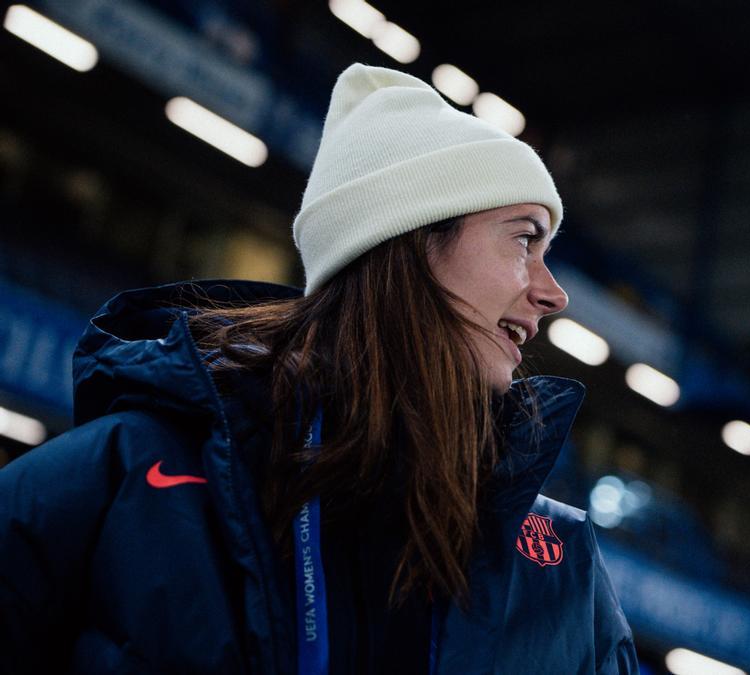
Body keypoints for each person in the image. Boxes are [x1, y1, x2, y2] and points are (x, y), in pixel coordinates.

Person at [0, 64, 637, 674]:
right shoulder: (128, 475)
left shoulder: (560, 565)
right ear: (410, 240)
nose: (554, 294)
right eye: (525, 239)